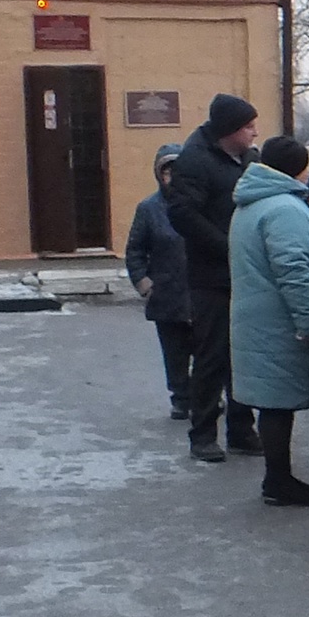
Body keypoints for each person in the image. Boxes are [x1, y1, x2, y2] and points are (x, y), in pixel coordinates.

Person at [229, 136, 309, 506]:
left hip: (257, 317)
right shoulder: (285, 209)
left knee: (273, 402)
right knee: (277, 404)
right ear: (299, 169)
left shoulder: (252, 204)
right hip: (280, 322)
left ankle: (278, 478)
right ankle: (278, 481)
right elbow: (294, 270)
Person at [166, 94, 265, 463]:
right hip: (211, 275)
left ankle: (242, 428)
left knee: (244, 354)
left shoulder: (249, 158)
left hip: (246, 272)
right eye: (249, 127)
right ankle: (203, 433)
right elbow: (182, 214)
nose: (256, 132)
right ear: (230, 131)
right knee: (212, 355)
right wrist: (227, 246)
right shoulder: (194, 160)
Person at [123, 143, 194, 418]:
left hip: (200, 288)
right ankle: (181, 396)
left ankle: (206, 394)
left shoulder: (199, 202)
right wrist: (144, 283)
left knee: (207, 349)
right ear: (159, 174)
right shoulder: (149, 208)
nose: (172, 177)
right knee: (175, 351)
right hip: (166, 291)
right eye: (167, 171)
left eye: (178, 170)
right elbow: (135, 250)